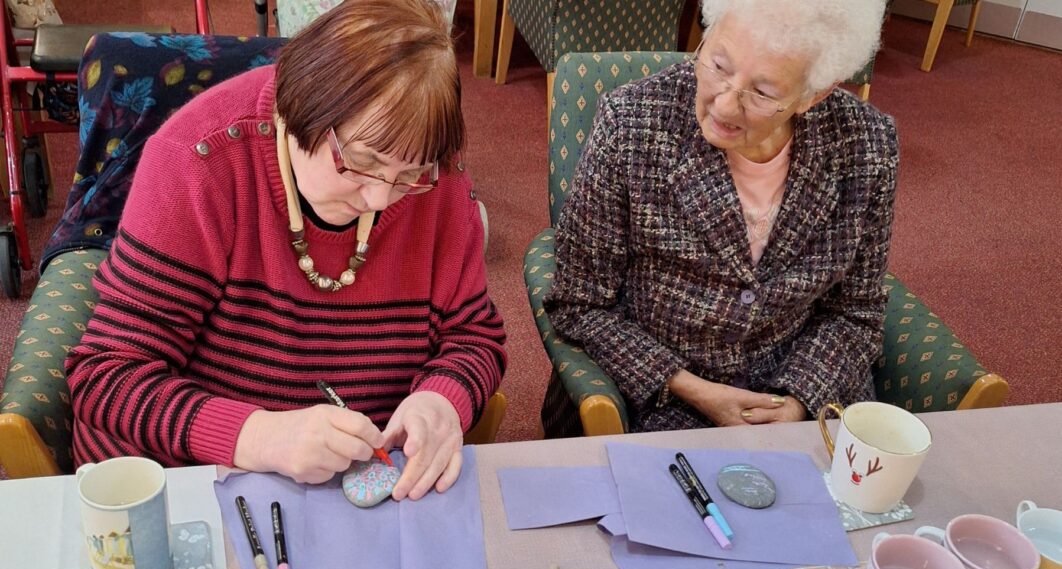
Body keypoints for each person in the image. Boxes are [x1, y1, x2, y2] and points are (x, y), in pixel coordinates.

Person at [65, 0, 506, 500]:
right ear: (299, 110)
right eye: (361, 163)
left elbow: (473, 336)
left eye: (410, 175)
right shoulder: (198, 161)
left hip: (362, 482)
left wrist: (441, 400)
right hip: (191, 476)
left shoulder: (436, 178)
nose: (381, 197)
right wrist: (257, 436)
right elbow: (108, 376)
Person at [544, 0, 896, 432]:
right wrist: (690, 387)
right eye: (718, 65)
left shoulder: (867, 145)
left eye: (763, 93)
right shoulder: (633, 123)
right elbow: (579, 303)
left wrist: (797, 400)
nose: (725, 107)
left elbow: (856, 312)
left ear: (813, 95)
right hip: (665, 401)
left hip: (802, 401)